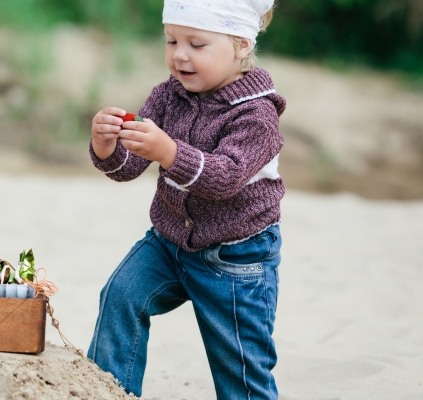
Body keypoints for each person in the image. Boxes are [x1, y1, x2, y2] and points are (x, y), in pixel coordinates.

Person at [86, 1, 284, 399]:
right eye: (172, 40)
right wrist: (105, 146)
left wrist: (168, 151)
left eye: (197, 44)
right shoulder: (166, 96)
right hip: (168, 242)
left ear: (242, 45)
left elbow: (225, 177)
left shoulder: (257, 115)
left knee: (241, 367)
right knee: (121, 295)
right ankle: (108, 392)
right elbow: (129, 168)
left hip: (235, 257)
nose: (179, 54)